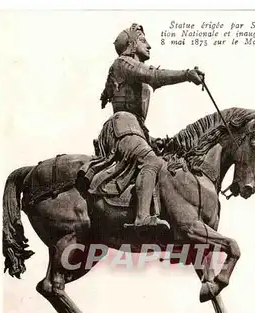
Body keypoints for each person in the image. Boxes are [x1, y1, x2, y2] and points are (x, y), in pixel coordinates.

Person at [87, 23, 205, 231]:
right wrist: (186, 74)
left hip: (135, 128)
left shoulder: (130, 66)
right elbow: (154, 76)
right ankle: (141, 217)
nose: (148, 45)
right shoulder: (123, 63)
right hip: (123, 125)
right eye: (142, 40)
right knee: (151, 161)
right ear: (131, 45)